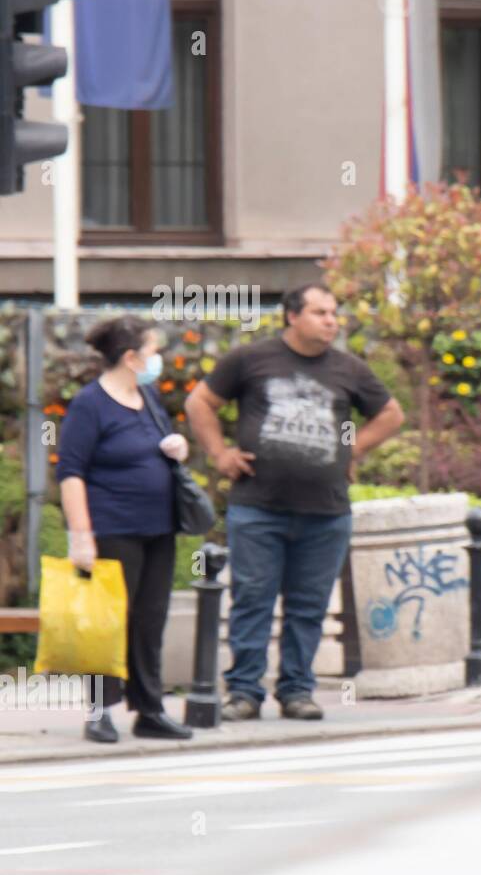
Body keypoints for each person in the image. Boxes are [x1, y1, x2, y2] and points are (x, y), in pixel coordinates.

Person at [185, 284, 404, 722]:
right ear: (291, 316)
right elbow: (199, 402)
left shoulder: (349, 368)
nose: (331, 320)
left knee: (309, 606)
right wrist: (220, 455)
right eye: (320, 312)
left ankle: (297, 690)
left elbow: (391, 414)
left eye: (334, 313)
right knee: (252, 601)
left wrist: (353, 450)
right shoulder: (251, 360)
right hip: (257, 507)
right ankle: (244, 692)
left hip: (326, 511)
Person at [57, 316, 193, 743]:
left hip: (158, 527)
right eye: (152, 351)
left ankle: (149, 709)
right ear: (131, 357)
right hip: (113, 528)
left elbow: (164, 446)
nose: (158, 359)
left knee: (150, 619)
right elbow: (71, 472)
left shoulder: (149, 397)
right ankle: (100, 711)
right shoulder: (89, 404)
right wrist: (81, 535)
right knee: (107, 622)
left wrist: (179, 448)